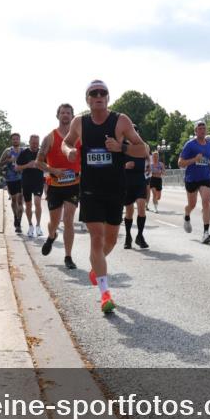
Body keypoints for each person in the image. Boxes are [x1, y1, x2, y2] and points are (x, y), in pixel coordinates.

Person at [62, 80, 148, 313]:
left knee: (111, 240)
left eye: (103, 93)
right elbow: (66, 142)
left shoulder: (121, 121)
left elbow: (144, 149)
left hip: (115, 189)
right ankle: (105, 293)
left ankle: (95, 267)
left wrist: (121, 148)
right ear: (87, 99)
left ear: (108, 98)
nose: (98, 96)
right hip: (90, 189)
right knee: (97, 238)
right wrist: (69, 151)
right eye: (94, 93)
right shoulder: (80, 122)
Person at [38, 104, 81, 270]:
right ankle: (51, 235)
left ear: (72, 116)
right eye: (62, 113)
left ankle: (68, 256)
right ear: (58, 116)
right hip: (55, 185)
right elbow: (38, 162)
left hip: (73, 184)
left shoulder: (79, 138)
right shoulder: (49, 138)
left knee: (69, 219)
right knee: (54, 222)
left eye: (68, 113)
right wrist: (53, 170)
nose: (65, 115)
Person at [179, 121, 210, 244]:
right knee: (192, 205)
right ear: (195, 131)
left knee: (206, 201)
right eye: (199, 128)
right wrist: (194, 159)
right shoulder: (190, 145)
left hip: (205, 177)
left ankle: (206, 233)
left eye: (204, 128)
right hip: (192, 178)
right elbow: (180, 163)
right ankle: (187, 214)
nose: (202, 130)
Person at [122, 125, 151, 249]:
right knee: (129, 211)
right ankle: (128, 236)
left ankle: (140, 235)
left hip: (140, 181)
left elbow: (147, 158)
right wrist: (124, 165)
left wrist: (149, 164)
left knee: (141, 208)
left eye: (136, 132)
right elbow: (114, 165)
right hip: (127, 182)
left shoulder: (144, 147)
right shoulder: (122, 147)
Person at [17, 134, 45, 238]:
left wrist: (41, 166)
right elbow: (17, 167)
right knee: (28, 205)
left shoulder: (42, 153)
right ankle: (30, 225)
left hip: (38, 181)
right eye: (33, 143)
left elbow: (48, 167)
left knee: (37, 202)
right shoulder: (24, 153)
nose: (35, 145)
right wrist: (28, 165)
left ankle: (38, 226)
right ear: (29, 142)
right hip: (26, 182)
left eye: (37, 143)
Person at [0, 133, 25, 234]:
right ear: (11, 140)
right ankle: (15, 216)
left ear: (19, 139)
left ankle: (19, 223)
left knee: (20, 200)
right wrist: (8, 160)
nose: (15, 141)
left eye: (17, 139)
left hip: (22, 178)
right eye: (13, 139)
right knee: (14, 200)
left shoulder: (23, 151)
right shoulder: (7, 151)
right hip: (10, 179)